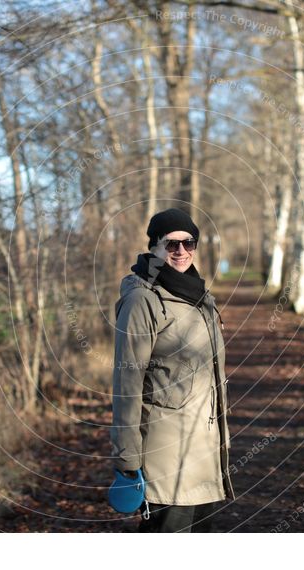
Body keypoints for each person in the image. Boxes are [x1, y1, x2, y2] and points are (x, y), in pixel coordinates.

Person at [110, 208, 234, 533]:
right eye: (170, 244)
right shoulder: (141, 301)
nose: (180, 251)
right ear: (154, 246)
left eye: (188, 243)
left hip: (203, 455)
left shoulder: (199, 295)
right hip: (164, 461)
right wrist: (127, 459)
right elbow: (127, 383)